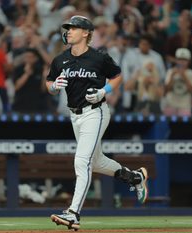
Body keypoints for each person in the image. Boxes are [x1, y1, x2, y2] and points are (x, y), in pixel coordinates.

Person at [46, 15, 148, 231]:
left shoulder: (99, 57)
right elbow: (48, 82)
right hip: (75, 115)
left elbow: (118, 76)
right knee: (98, 162)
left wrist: (104, 91)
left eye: (74, 28)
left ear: (86, 33)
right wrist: (54, 86)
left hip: (95, 112)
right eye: (68, 28)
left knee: (81, 161)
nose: (69, 31)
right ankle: (135, 177)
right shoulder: (60, 59)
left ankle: (73, 214)